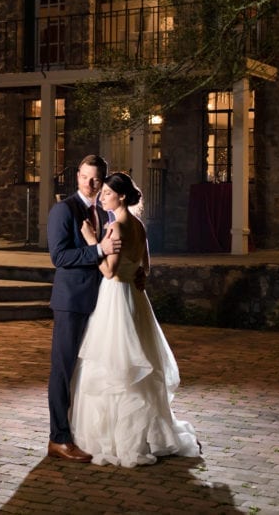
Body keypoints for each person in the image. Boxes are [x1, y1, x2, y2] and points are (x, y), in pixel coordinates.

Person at [70, 171, 201, 467]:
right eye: (101, 192)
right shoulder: (139, 225)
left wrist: (92, 240)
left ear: (122, 196)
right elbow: (147, 266)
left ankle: (118, 438)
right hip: (135, 298)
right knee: (135, 361)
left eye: (106, 192)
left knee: (116, 364)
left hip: (116, 297)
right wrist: (137, 274)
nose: (102, 196)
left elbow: (109, 272)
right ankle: (143, 433)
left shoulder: (115, 227)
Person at [46, 154, 122, 462]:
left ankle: (85, 431)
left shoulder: (106, 211)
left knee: (90, 370)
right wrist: (97, 250)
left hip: (101, 302)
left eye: (96, 179)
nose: (90, 184)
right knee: (63, 370)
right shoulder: (64, 210)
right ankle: (58, 439)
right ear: (77, 176)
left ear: (103, 180)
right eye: (85, 177)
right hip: (71, 302)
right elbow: (59, 257)